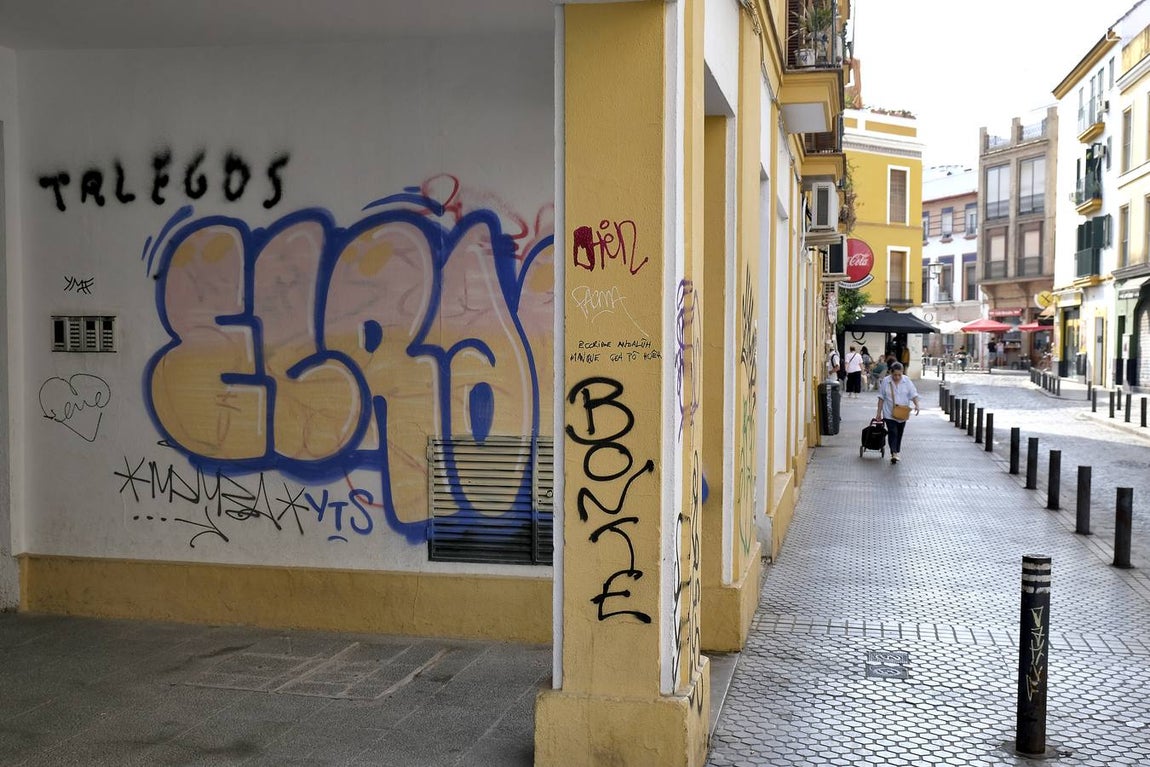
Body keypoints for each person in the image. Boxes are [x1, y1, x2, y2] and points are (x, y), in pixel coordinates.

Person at [875, 361, 920, 465]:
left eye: (899, 374)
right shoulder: (886, 381)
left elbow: (913, 393)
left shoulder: (907, 381)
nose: (897, 377)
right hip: (889, 412)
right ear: (891, 372)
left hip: (903, 413)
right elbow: (881, 398)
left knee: (899, 433)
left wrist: (917, 405)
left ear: (902, 372)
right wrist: (878, 413)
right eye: (895, 374)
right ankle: (894, 453)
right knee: (892, 432)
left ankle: (896, 451)